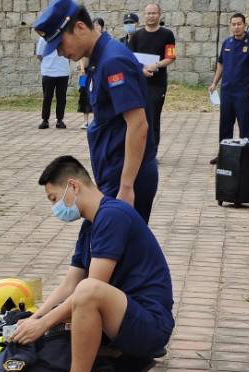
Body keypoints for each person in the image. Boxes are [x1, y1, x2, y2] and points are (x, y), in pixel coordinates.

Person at [10, 155, 173, 372]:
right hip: (126, 318)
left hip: (151, 324)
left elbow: (89, 291)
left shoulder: (112, 216)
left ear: (73, 186)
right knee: (68, 312)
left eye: (54, 199)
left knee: (86, 292)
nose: (55, 208)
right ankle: (124, 358)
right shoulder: (90, 224)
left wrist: (43, 325)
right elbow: (69, 285)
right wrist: (35, 317)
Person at [33, 0, 158, 222]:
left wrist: (126, 186)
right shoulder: (98, 60)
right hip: (113, 173)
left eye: (60, 44)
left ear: (80, 27)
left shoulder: (113, 61)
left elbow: (138, 124)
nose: (60, 53)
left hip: (126, 178)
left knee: (112, 240)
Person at [208, 12, 249, 163]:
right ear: (230, 26)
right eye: (233, 24)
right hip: (227, 90)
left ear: (244, 25)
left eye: (239, 24)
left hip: (243, 91)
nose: (236, 27)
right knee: (225, 124)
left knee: (244, 124)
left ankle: (247, 157)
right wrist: (214, 83)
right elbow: (221, 64)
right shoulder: (227, 43)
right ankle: (224, 155)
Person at [128, 4, 175, 152]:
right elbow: (130, 59)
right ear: (144, 15)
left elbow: (171, 57)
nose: (151, 16)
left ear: (159, 14)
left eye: (154, 13)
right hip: (138, 83)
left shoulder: (167, 35)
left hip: (157, 84)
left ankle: (152, 151)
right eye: (148, 13)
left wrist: (156, 65)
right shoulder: (136, 36)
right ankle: (139, 150)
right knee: (138, 117)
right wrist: (141, 70)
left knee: (153, 117)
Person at [36, 32, 70, 129]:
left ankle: (60, 120)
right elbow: (39, 54)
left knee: (61, 98)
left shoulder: (65, 36)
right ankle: (45, 120)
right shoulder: (44, 38)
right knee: (47, 97)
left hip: (63, 71)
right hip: (48, 72)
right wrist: (48, 63)